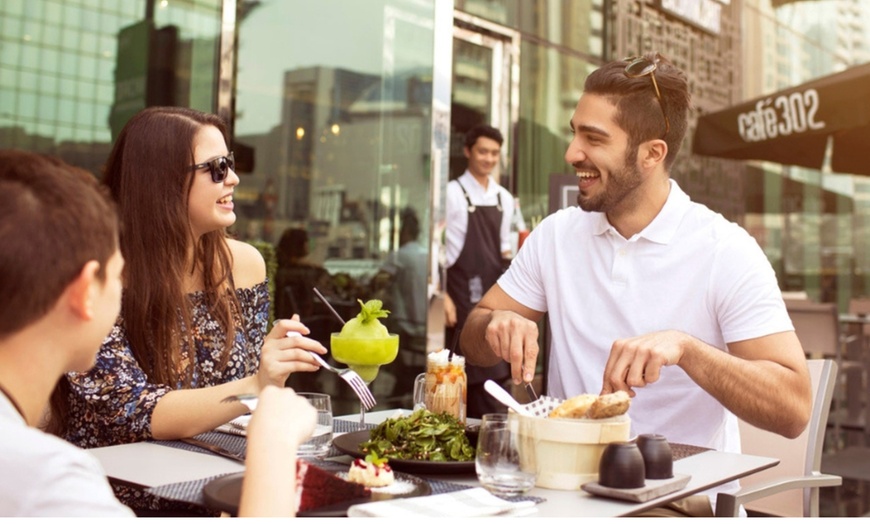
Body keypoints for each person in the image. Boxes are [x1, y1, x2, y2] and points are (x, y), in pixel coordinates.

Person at [459, 53, 812, 515]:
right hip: (558, 490)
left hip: (671, 500)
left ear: (652, 153)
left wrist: (686, 348)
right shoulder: (557, 234)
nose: (571, 153)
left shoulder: (724, 249)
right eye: (574, 131)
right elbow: (471, 342)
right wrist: (494, 325)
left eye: (593, 138)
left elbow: (793, 410)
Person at [0, 150, 316, 517]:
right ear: (85, 292)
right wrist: (273, 445)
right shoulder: (50, 483)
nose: (232, 178)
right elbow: (132, 410)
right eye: (115, 277)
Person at [444, 124, 517, 418]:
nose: (488, 158)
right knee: (461, 377)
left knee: (493, 368)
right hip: (459, 294)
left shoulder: (504, 198)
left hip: (491, 292)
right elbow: (437, 253)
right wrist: (441, 296)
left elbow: (504, 252)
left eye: (494, 153)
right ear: (467, 152)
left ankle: (489, 441)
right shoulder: (452, 193)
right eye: (482, 152)